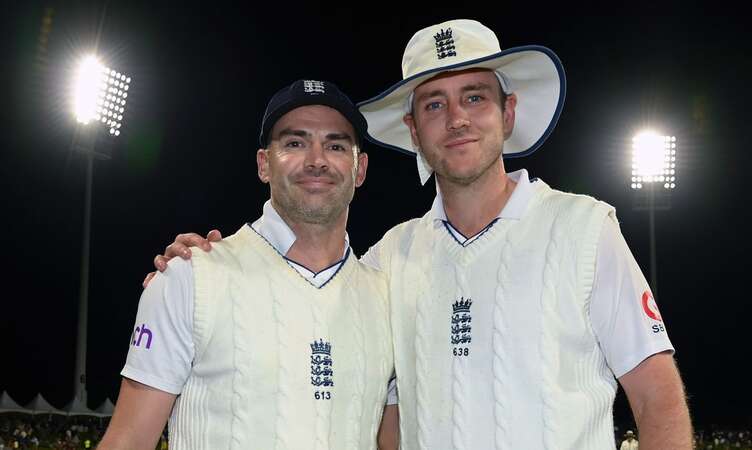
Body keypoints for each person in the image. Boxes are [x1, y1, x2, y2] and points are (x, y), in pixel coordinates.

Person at [148, 19, 693, 449]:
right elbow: (387, 419)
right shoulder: (390, 259)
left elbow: (656, 398)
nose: (456, 119)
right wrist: (204, 263)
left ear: (508, 113)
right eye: (434, 104)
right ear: (412, 130)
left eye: (475, 97)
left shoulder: (584, 228)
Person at [98, 80, 395, 450]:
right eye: (294, 143)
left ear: (360, 169)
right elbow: (128, 440)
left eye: (335, 145)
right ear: (263, 165)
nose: (316, 160)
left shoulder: (386, 298)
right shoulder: (190, 275)